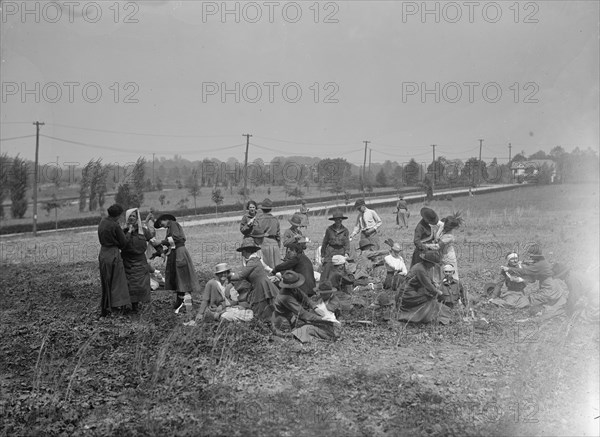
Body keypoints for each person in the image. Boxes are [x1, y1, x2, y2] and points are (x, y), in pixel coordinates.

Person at [272, 271, 338, 342]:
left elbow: (305, 299)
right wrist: (323, 318)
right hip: (282, 321)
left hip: (291, 317)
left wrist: (315, 308)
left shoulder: (294, 289)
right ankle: (284, 335)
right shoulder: (285, 297)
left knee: (308, 326)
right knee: (297, 333)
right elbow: (303, 314)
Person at [503, 245, 566, 318]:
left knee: (529, 300)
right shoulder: (542, 261)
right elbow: (532, 278)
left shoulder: (539, 265)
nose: (529, 257)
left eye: (530, 254)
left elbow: (524, 271)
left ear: (534, 254)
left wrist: (509, 269)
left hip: (550, 291)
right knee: (531, 299)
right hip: (555, 289)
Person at [155, 213, 201, 313]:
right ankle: (181, 299)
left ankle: (185, 301)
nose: (161, 225)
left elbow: (176, 238)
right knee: (177, 277)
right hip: (175, 252)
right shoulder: (170, 227)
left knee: (182, 276)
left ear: (166, 219)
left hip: (179, 252)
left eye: (161, 222)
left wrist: (161, 242)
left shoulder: (173, 224)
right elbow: (171, 242)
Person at [229, 240, 279, 322]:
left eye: (243, 252)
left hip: (261, 285)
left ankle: (267, 322)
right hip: (262, 284)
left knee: (262, 305)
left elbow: (242, 275)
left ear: (247, 251)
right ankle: (270, 322)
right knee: (267, 305)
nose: (242, 254)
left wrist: (228, 276)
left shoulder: (252, 262)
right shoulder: (255, 260)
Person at [396, 251, 451, 324]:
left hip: (413, 291)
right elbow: (429, 287)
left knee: (430, 296)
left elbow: (430, 281)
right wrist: (440, 294)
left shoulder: (423, 267)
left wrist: (436, 286)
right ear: (428, 262)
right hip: (407, 294)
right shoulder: (420, 269)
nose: (433, 266)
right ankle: (418, 316)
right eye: (433, 264)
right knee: (429, 299)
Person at [98, 204, 130, 316]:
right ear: (118, 215)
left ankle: (105, 307)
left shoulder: (103, 221)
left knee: (106, 281)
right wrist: (126, 233)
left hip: (103, 253)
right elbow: (123, 243)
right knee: (117, 281)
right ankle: (117, 307)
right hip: (113, 254)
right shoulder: (115, 225)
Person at [121, 208, 153, 312]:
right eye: (130, 216)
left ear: (137, 218)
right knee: (129, 285)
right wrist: (129, 231)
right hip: (127, 262)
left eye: (134, 216)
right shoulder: (123, 231)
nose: (131, 218)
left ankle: (137, 305)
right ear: (127, 217)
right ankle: (128, 305)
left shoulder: (143, 230)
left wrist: (161, 251)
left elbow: (152, 241)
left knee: (140, 284)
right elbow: (122, 244)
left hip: (140, 262)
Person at [320, 209, 351, 281]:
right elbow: (325, 242)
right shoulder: (329, 229)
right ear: (334, 220)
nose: (338, 221)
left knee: (341, 267)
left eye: (340, 220)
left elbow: (347, 242)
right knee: (327, 266)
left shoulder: (345, 230)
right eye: (336, 220)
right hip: (330, 250)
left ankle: (341, 284)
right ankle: (326, 283)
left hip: (340, 250)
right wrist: (322, 255)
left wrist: (347, 252)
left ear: (342, 220)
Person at [436, 211, 464, 281]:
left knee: (452, 277)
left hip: (449, 259)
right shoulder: (444, 230)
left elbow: (437, 245)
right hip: (443, 257)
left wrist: (426, 246)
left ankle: (456, 290)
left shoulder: (449, 236)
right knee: (443, 278)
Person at [257, 198, 281, 269]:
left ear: (262, 209)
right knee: (276, 267)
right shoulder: (275, 219)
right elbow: (278, 235)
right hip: (274, 243)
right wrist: (278, 244)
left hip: (264, 242)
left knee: (266, 267)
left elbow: (256, 233)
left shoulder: (259, 220)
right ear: (270, 209)